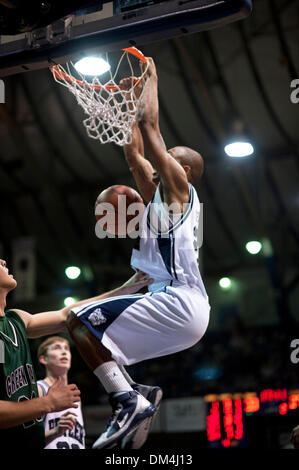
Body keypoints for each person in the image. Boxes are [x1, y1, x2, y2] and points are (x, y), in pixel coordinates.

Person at [66, 56, 210, 450]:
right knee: (92, 334)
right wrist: (127, 105)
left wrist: (151, 78)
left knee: (80, 323)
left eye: (168, 158)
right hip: (178, 306)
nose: (157, 164)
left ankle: (127, 400)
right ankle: (137, 390)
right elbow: (134, 151)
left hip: (179, 300)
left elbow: (149, 129)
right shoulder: (160, 203)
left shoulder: (180, 189)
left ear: (184, 171)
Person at [0, 257, 151, 448]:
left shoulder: (16, 320)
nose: (4, 261)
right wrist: (48, 403)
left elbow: (67, 316)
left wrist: (124, 290)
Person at [37, 336, 85, 449]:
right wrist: (55, 431)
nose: (64, 352)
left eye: (67, 348)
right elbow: (26, 440)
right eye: (57, 348)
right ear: (43, 359)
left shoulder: (76, 397)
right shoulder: (39, 389)